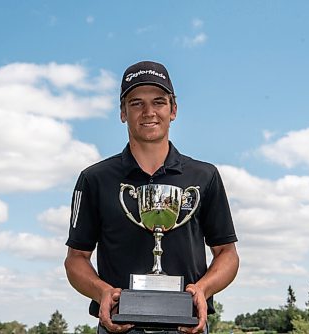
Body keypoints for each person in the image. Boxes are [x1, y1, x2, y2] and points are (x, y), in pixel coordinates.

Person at [65, 61, 239, 334]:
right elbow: (76, 258)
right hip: (119, 326)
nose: (149, 112)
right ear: (122, 112)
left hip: (187, 326)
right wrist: (103, 292)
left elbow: (227, 253)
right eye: (136, 103)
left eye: (158, 102)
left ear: (174, 110)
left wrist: (203, 290)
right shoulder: (95, 179)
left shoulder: (204, 176)